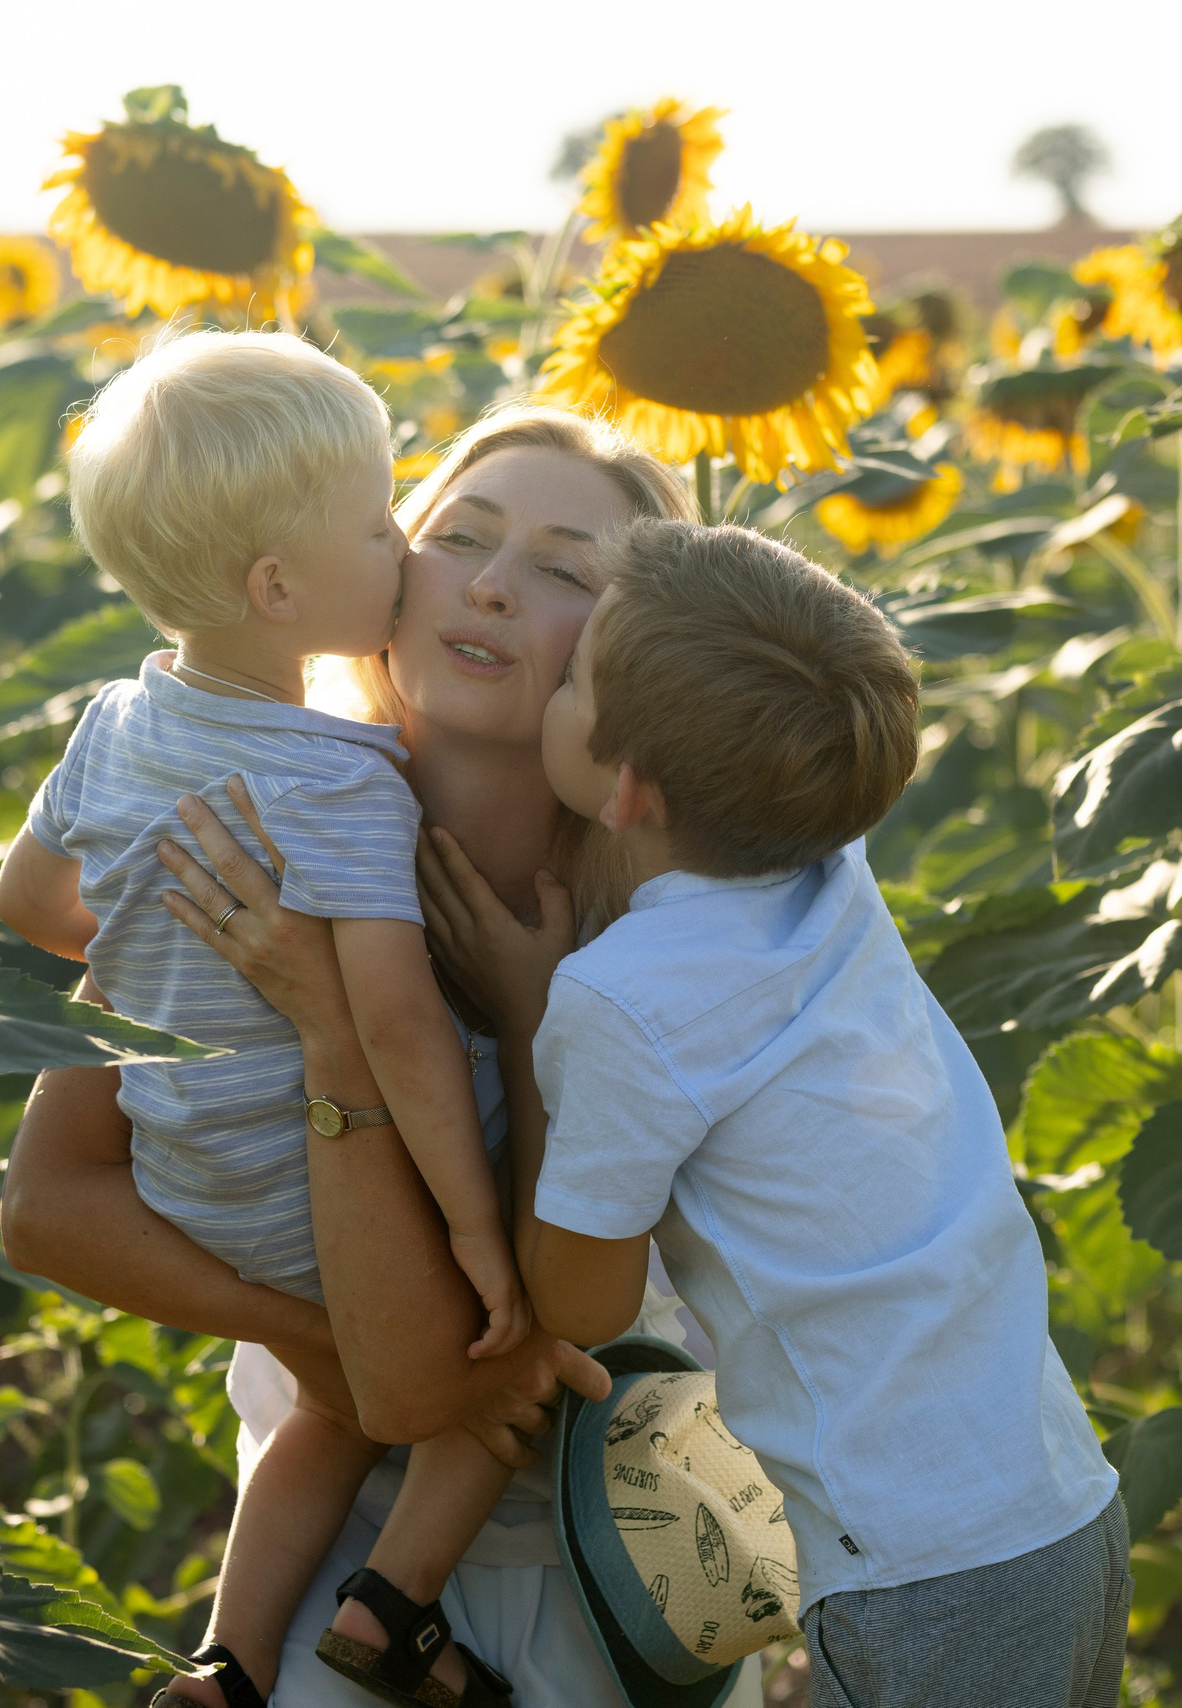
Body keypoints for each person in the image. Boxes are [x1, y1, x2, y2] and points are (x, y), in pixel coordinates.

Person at [2, 406, 753, 1708]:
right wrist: (348, 1354)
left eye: (567, 569)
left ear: (634, 655)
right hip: (323, 1550)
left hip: (617, 1567)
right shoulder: (252, 826)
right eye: (456, 536)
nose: (493, 583)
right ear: (379, 572)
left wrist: (520, 1022)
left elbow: (573, 1290)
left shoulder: (676, 918)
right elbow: (50, 1204)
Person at [462, 518, 1129, 1708]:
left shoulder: (621, 998)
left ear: (626, 791)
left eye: (572, 678)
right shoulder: (836, 870)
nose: (556, 669)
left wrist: (526, 1016)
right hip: (1060, 1507)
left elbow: (581, 1300)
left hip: (917, 1577)